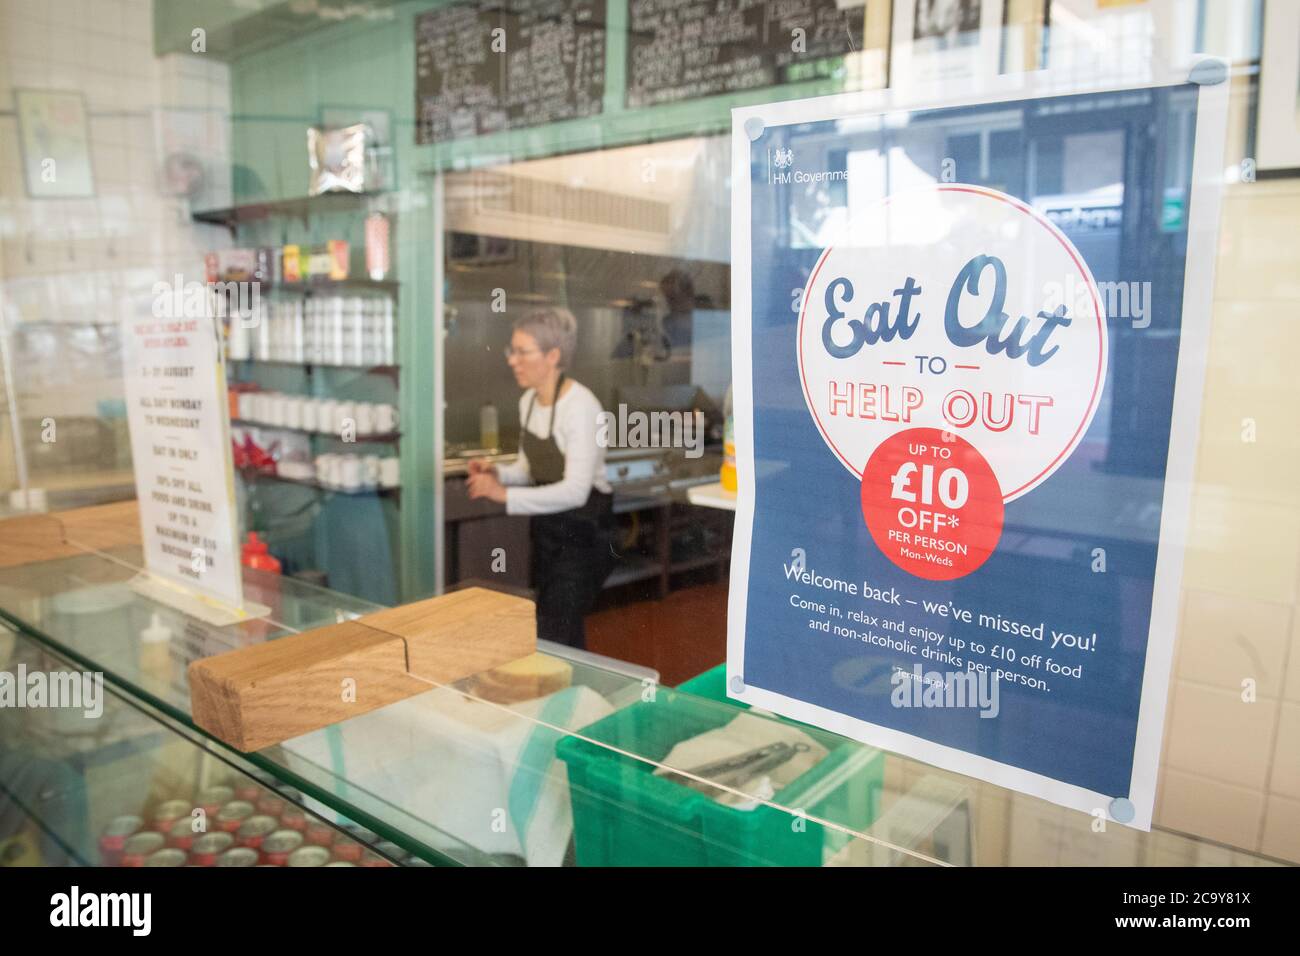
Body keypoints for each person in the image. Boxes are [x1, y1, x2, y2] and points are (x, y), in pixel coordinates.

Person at [467, 307, 615, 649]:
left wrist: (505, 496)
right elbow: (526, 469)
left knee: (555, 632)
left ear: (553, 356)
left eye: (522, 352)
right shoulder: (528, 403)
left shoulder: (581, 407)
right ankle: (574, 698)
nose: (512, 360)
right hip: (549, 533)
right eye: (511, 351)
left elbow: (576, 492)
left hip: (585, 534)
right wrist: (498, 473)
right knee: (557, 631)